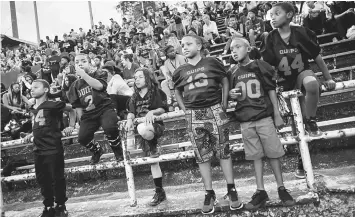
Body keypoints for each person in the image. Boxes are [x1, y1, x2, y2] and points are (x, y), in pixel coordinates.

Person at [261, 2, 336, 178]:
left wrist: (329, 78)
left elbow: (317, 56)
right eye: (271, 14)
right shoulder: (270, 37)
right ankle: (302, 163)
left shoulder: (301, 33)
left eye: (276, 13)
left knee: (311, 84)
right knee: (297, 127)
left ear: (289, 15)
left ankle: (312, 120)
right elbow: (268, 65)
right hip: (285, 82)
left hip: (302, 74)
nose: (272, 17)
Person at [173, 34, 243, 214]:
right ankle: (209, 192)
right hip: (193, 114)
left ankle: (231, 188)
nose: (185, 47)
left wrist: (224, 102)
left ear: (199, 45)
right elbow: (177, 91)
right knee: (201, 155)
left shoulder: (212, 62)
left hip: (214, 109)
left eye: (188, 44)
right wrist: (184, 109)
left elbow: (225, 80)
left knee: (223, 150)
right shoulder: (180, 70)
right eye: (182, 45)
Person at [228, 37, 295, 210]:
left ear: (248, 48)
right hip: (245, 119)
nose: (234, 51)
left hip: (264, 116)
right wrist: (231, 95)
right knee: (255, 156)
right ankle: (260, 190)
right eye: (231, 49)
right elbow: (230, 95)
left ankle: (281, 187)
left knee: (273, 153)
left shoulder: (260, 65)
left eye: (238, 47)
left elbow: (271, 90)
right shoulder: (232, 71)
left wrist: (277, 113)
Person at [23, 79, 69, 217]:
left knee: (57, 178)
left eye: (36, 87)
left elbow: (71, 109)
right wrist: (31, 133)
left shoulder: (53, 104)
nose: (32, 89)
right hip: (38, 149)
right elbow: (41, 122)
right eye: (31, 87)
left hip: (53, 147)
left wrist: (71, 125)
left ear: (46, 90)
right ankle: (48, 206)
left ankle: (60, 205)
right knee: (43, 179)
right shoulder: (34, 108)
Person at [66, 54, 123, 164]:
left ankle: (117, 150)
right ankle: (97, 151)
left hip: (104, 108)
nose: (80, 64)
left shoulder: (99, 73)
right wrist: (81, 121)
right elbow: (78, 107)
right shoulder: (74, 85)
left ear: (89, 63)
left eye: (83, 61)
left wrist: (84, 75)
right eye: (77, 62)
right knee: (82, 137)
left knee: (110, 127)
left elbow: (99, 86)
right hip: (89, 114)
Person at [126, 67, 168, 206]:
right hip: (143, 132)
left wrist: (152, 112)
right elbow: (131, 112)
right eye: (135, 77)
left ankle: (152, 146)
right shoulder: (133, 97)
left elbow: (163, 108)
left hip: (154, 127)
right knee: (153, 161)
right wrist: (129, 118)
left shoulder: (156, 92)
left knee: (143, 128)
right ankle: (159, 191)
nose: (136, 79)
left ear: (148, 78)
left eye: (140, 77)